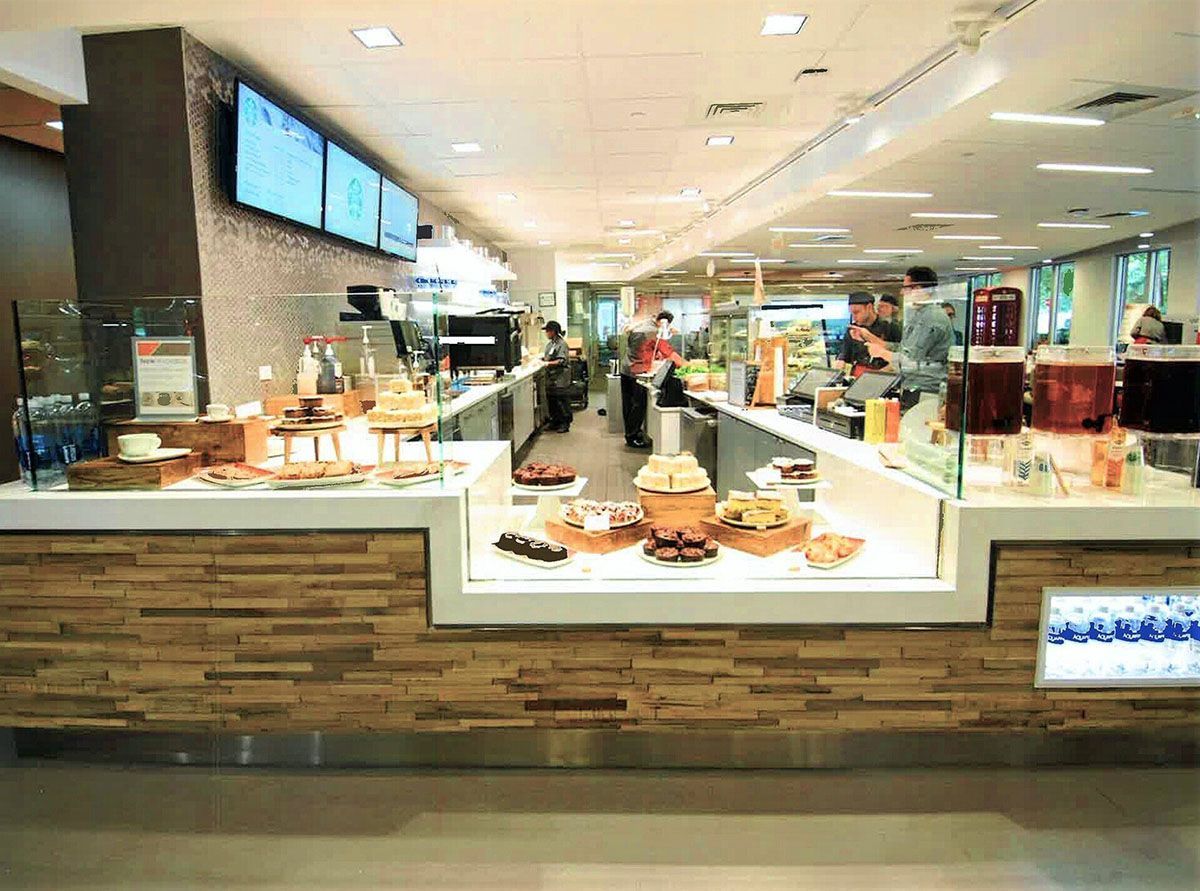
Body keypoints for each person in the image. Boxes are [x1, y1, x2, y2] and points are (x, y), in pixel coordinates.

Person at [862, 266, 954, 396]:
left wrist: (882, 353)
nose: (902, 292)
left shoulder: (932, 318)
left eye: (906, 288)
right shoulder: (919, 314)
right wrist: (875, 341)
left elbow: (911, 362)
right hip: (913, 385)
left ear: (918, 289)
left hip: (927, 389)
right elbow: (905, 349)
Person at [620, 310, 684, 448]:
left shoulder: (643, 325)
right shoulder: (654, 332)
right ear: (664, 322)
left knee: (628, 405)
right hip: (637, 371)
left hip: (625, 369)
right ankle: (633, 437)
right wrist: (687, 365)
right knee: (638, 405)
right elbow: (669, 353)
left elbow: (646, 348)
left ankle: (630, 434)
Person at [840, 292, 902, 378]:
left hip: (885, 376)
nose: (854, 317)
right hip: (857, 375)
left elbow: (901, 356)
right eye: (852, 314)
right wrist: (840, 361)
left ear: (869, 307)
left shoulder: (890, 327)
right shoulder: (853, 329)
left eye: (857, 312)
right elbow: (845, 354)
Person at [541, 320, 573, 433]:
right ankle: (555, 422)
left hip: (560, 378)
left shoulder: (561, 344)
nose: (546, 333)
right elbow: (548, 357)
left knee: (561, 401)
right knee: (552, 400)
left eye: (547, 331)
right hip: (551, 378)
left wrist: (547, 364)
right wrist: (541, 361)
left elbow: (561, 361)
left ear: (553, 331)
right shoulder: (551, 344)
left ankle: (565, 423)